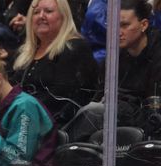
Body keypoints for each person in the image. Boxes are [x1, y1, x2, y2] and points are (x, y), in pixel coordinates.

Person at [67, 0, 161, 141]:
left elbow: (154, 113)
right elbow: (99, 96)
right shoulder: (113, 55)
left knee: (94, 112)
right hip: (121, 121)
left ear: (144, 25)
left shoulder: (158, 52)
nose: (117, 31)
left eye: (124, 25)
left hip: (148, 127)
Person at [11, 0, 99, 128]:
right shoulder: (24, 53)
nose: (41, 16)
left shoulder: (74, 48)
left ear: (64, 16)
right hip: (23, 124)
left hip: (56, 128)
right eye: (36, 12)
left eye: (48, 11)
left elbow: (62, 98)